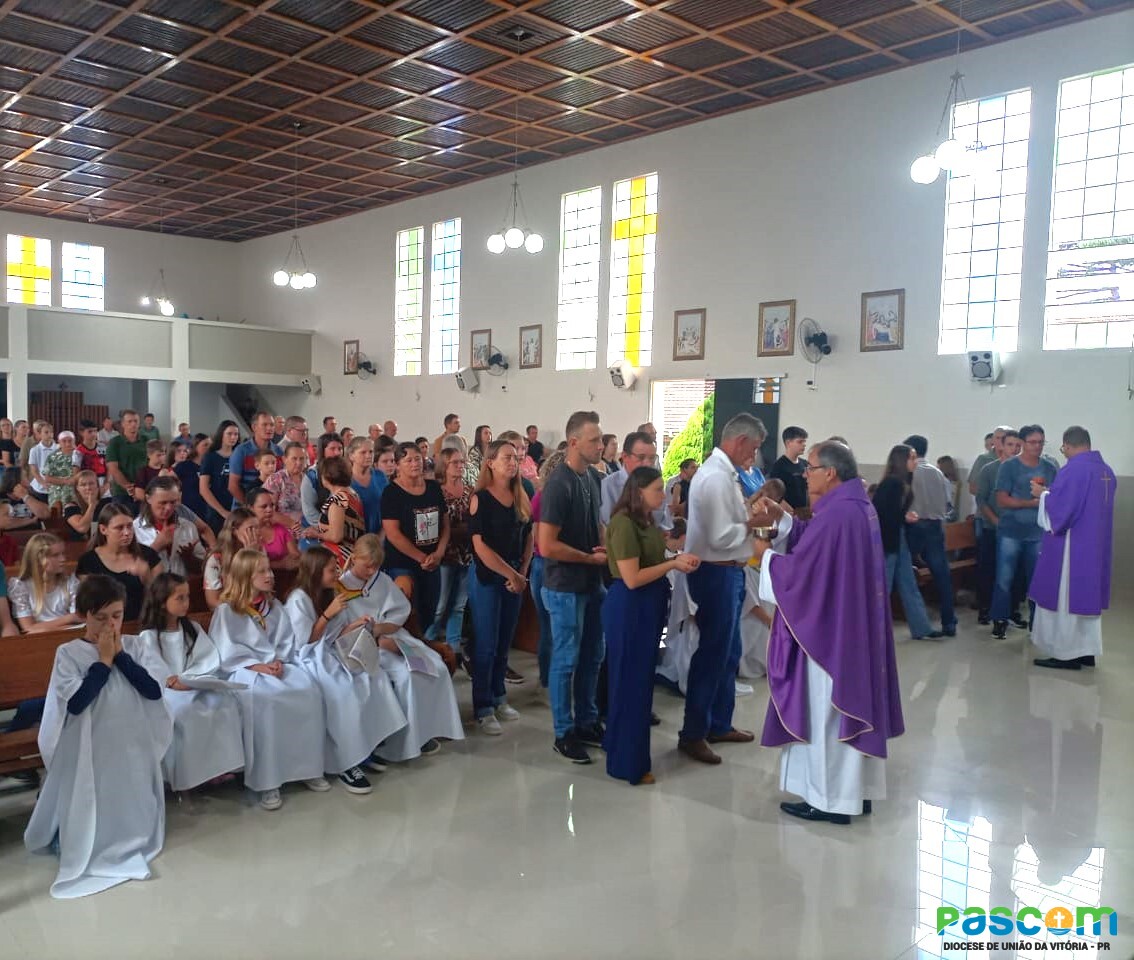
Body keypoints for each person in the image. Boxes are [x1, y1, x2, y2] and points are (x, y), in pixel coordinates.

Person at [749, 441, 904, 826]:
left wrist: (764, 555)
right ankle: (856, 793)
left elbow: (805, 574)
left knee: (826, 714)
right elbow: (817, 545)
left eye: (811, 468)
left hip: (830, 638)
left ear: (830, 473)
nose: (806, 474)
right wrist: (784, 520)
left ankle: (830, 800)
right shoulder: (853, 506)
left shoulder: (839, 515)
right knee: (840, 715)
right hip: (851, 628)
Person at [24, 575, 172, 899]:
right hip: (90, 745)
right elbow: (76, 703)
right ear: (83, 615)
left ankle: (132, 835)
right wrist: (103, 662)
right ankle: (79, 836)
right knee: (94, 796)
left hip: (130, 741)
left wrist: (120, 656)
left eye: (116, 616)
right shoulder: (69, 652)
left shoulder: (135, 645)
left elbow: (152, 690)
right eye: (100, 617)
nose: (110, 625)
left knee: (129, 792)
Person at [678, 413, 765, 766]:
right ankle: (693, 733)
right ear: (740, 441)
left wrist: (749, 515)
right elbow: (720, 536)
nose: (755, 457)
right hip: (715, 573)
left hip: (730, 572)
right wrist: (752, 523)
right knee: (713, 655)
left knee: (729, 653)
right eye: (754, 448)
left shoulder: (727, 473)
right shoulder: (714, 477)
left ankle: (718, 723)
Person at [210, 549, 328, 810]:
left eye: (269, 569)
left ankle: (307, 768)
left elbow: (287, 641)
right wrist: (257, 665)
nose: (270, 575)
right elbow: (225, 651)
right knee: (266, 700)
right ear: (245, 576)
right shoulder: (227, 611)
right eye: (262, 571)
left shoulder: (273, 606)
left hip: (275, 665)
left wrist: (277, 661)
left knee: (307, 688)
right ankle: (268, 781)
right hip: (244, 670)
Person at [603, 466, 700, 785]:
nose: (664, 495)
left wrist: (675, 554)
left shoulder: (646, 521)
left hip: (647, 608)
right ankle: (627, 763)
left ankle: (624, 750)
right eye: (658, 489)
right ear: (639, 491)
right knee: (630, 685)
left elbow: (651, 555)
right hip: (631, 609)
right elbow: (631, 578)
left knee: (639, 685)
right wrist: (672, 563)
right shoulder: (624, 523)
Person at [285, 547, 408, 795]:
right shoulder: (298, 598)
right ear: (316, 572)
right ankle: (347, 762)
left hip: (333, 649)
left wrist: (355, 623)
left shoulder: (330, 591)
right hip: (311, 658)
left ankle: (367, 747)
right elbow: (305, 642)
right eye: (332, 570)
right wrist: (327, 615)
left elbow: (336, 632)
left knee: (375, 677)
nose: (337, 573)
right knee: (344, 693)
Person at [333, 534, 463, 762]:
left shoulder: (381, 581)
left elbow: (398, 613)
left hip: (392, 636)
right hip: (363, 646)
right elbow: (341, 630)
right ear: (354, 559)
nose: (372, 572)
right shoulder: (341, 587)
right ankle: (404, 741)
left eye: (376, 567)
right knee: (407, 675)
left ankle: (427, 730)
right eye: (367, 566)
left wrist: (382, 630)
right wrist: (375, 637)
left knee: (434, 666)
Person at [539, 411, 607, 764]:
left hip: (591, 581)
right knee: (566, 659)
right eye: (594, 440)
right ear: (574, 442)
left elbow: (596, 523)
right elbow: (546, 545)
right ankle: (563, 732)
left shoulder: (592, 479)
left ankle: (587, 720)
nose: (600, 445)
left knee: (593, 655)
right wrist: (587, 557)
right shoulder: (559, 483)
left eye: (600, 439)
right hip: (565, 586)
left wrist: (606, 548)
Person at [137, 574, 244, 792]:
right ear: (161, 601)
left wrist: (192, 679)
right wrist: (172, 682)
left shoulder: (192, 629)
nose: (186, 603)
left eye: (187, 597)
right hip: (168, 692)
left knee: (224, 703)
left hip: (193, 683)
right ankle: (192, 775)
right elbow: (152, 668)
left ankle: (221, 767)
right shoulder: (149, 636)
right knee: (185, 712)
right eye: (179, 598)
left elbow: (207, 658)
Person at [1028, 427, 1115, 670]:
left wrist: (1041, 495)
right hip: (1094, 549)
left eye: (1063, 448)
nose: (1063, 452)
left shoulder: (1074, 469)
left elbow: (1062, 512)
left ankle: (1066, 654)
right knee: (1085, 599)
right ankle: (1086, 652)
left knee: (1065, 598)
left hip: (1071, 549)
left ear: (1068, 445)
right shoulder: (1105, 471)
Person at [467, 440, 533, 735]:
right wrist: (512, 574)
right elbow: (480, 547)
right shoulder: (479, 498)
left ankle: (499, 696)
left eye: (516, 457)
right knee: (486, 644)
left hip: (514, 576)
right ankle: (483, 706)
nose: (513, 462)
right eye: (507, 457)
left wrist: (521, 571)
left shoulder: (522, 494)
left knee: (505, 641)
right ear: (490, 462)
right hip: (487, 577)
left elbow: (529, 536)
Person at [991, 425, 1059, 639]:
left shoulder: (1049, 467)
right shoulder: (1009, 467)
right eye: (1033, 442)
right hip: (1011, 530)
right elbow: (1001, 499)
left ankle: (1037, 623)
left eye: (1041, 442)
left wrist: (1046, 499)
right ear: (1022, 443)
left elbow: (1056, 498)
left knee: (1036, 580)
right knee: (1004, 578)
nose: (1037, 446)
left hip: (1037, 533)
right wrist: (1030, 503)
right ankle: (1000, 619)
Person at [872, 445, 942, 640]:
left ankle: (922, 628)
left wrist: (905, 516)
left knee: (908, 583)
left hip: (898, 537)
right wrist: (904, 517)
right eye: (911, 458)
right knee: (882, 588)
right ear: (901, 461)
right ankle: (873, 631)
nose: (915, 461)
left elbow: (895, 513)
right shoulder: (892, 483)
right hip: (888, 540)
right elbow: (884, 515)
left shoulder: (903, 482)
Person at [381, 442, 449, 635]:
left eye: (417, 459)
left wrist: (439, 553)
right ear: (397, 464)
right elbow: (393, 533)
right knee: (407, 613)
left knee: (430, 610)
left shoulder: (434, 488)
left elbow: (445, 525)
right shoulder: (391, 493)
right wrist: (421, 558)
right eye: (408, 460)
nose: (414, 464)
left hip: (433, 561)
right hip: (404, 563)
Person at [903, 434, 956, 637]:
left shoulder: (909, 473)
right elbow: (948, 502)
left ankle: (917, 620)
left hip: (914, 526)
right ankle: (949, 621)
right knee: (942, 575)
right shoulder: (938, 473)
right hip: (935, 525)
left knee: (905, 573)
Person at [76, 503, 162, 622]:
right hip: (105, 625)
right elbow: (88, 604)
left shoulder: (147, 555)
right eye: (119, 528)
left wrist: (146, 576)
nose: (127, 533)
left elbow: (161, 599)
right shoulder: (89, 561)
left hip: (142, 623)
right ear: (103, 529)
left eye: (129, 526)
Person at [427, 448, 473, 664]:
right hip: (445, 554)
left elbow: (474, 522)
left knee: (459, 605)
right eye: (455, 462)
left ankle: (454, 650)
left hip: (466, 554)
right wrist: (459, 528)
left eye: (462, 462)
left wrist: (462, 528)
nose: (460, 466)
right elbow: (436, 526)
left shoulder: (469, 491)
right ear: (444, 465)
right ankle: (427, 643)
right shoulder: (436, 491)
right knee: (440, 605)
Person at [974, 430, 1023, 624]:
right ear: (1001, 445)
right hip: (992, 528)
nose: (1014, 449)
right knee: (989, 570)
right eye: (1010, 445)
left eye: (1018, 445)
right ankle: (985, 608)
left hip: (1017, 531)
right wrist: (995, 520)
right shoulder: (989, 469)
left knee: (1016, 573)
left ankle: (1012, 610)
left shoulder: (1024, 470)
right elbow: (981, 498)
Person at [529, 450, 565, 693]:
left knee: (553, 627)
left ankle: (550, 677)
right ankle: (548, 678)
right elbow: (540, 539)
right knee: (551, 627)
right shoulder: (544, 498)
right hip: (546, 564)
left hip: (545, 564)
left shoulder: (547, 496)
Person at [132, 476, 206, 578]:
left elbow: (203, 568)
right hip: (150, 591)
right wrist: (155, 547)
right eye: (163, 502)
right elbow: (130, 573)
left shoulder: (188, 527)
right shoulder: (133, 530)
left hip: (182, 590)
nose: (169, 508)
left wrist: (189, 558)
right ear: (148, 498)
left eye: (173, 502)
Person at [9, 533, 81, 632]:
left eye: (63, 554)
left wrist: (70, 621)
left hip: (68, 634)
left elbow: (77, 621)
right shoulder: (21, 586)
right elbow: (29, 628)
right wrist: (69, 618)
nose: (63, 559)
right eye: (55, 555)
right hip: (38, 639)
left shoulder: (70, 583)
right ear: (38, 560)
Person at [600, 431, 671, 530]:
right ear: (625, 457)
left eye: (652, 458)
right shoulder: (608, 486)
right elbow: (608, 528)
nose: (647, 464)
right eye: (641, 458)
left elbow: (665, 524)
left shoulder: (656, 487)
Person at [306, 456, 365, 565]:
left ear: (326, 477)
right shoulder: (352, 494)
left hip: (339, 558)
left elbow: (336, 536)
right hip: (352, 555)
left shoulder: (337, 500)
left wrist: (316, 534)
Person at [204, 507, 258, 609]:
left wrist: (252, 556)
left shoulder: (258, 552)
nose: (256, 533)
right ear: (234, 531)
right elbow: (212, 601)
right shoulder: (216, 560)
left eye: (257, 528)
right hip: (229, 611)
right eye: (250, 529)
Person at [229, 411, 281, 508]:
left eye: (272, 425)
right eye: (265, 425)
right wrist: (250, 507)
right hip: (244, 508)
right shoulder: (241, 451)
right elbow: (233, 485)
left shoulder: (278, 451)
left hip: (270, 508)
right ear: (254, 427)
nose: (269, 428)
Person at [199, 420, 240, 533]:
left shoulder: (240, 456)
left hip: (237, 507)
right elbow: (203, 489)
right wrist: (222, 512)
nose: (233, 437)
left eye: (236, 434)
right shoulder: (210, 457)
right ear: (221, 434)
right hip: (216, 510)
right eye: (229, 434)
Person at [247, 486, 299, 569]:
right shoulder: (247, 532)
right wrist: (280, 564)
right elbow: (248, 564)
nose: (269, 510)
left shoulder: (280, 529)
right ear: (251, 508)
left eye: (271, 505)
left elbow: (295, 555)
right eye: (264, 506)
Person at [105, 410, 147, 507]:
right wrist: (128, 487)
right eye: (130, 421)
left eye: (136, 421)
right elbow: (113, 468)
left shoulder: (146, 441)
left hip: (143, 490)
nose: (133, 424)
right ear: (123, 424)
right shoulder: (115, 443)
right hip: (121, 492)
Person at [347, 436, 387, 534]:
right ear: (351, 456)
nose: (368, 456)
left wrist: (381, 536)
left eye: (371, 452)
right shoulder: (345, 479)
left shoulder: (380, 476)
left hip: (380, 535)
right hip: (352, 537)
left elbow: (390, 509)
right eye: (363, 452)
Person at [768, 425, 809, 512]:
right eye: (800, 442)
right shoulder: (779, 466)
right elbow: (776, 495)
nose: (804, 445)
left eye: (804, 442)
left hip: (805, 512)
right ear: (788, 443)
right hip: (789, 514)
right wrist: (792, 514)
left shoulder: (805, 464)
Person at [264, 441, 307, 527]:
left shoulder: (309, 480)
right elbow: (267, 512)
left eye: (302, 459)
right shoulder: (275, 480)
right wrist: (294, 525)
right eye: (294, 459)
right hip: (284, 530)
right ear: (284, 459)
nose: (299, 463)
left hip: (308, 530)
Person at [173, 433, 210, 520]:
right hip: (189, 511)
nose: (209, 448)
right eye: (205, 445)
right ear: (196, 447)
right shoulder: (184, 466)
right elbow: (169, 482)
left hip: (208, 511)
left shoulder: (211, 466)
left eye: (210, 445)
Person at [63, 470, 106, 540]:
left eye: (91, 483)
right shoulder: (71, 507)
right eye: (83, 485)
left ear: (97, 486)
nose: (88, 488)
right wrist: (92, 505)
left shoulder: (106, 504)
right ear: (77, 488)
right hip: (79, 547)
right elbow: (82, 528)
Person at [42, 429, 80, 510]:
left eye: (70, 441)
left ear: (74, 441)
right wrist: (65, 481)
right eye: (64, 441)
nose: (67, 444)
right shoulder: (52, 457)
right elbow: (47, 478)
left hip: (76, 493)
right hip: (57, 494)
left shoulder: (79, 454)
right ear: (59, 442)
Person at [26, 421, 59, 505]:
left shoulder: (59, 448)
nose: (50, 435)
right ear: (40, 434)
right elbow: (34, 470)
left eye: (51, 432)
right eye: (46, 432)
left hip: (56, 486)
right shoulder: (35, 450)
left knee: (56, 513)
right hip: (39, 488)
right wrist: (43, 483)